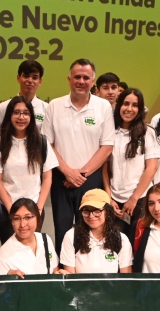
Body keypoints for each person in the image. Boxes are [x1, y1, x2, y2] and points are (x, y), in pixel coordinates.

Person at [42, 59, 114, 254]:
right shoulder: (54, 106)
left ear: (93, 81)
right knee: (62, 230)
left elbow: (107, 146)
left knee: (92, 230)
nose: (81, 81)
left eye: (86, 77)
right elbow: (47, 143)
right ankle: (63, 275)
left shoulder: (103, 107)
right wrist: (67, 172)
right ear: (69, 79)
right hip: (61, 179)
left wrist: (81, 175)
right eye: (77, 77)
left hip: (91, 180)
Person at [0, 97, 58, 223]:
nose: (21, 117)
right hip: (8, 211)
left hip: (34, 210)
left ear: (31, 116)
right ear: (9, 115)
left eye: (26, 113)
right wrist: (12, 210)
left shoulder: (41, 142)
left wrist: (39, 207)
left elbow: (47, 177)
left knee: (33, 243)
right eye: (16, 112)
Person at [103, 88, 159, 241]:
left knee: (137, 245)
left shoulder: (147, 132)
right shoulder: (110, 131)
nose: (129, 109)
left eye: (135, 105)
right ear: (118, 105)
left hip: (139, 199)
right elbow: (105, 168)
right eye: (126, 104)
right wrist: (109, 197)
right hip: (114, 199)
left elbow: (152, 168)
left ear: (140, 109)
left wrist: (133, 199)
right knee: (113, 244)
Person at [56, 189, 133, 274]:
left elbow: (125, 279)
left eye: (97, 211)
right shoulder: (71, 236)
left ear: (107, 211)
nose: (91, 216)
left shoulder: (121, 239)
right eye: (86, 211)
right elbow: (71, 280)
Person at [0, 199, 58, 276]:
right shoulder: (3, 255)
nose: (22, 225)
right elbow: (0, 286)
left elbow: (54, 268)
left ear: (38, 217)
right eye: (16, 218)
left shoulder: (45, 239)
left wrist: (59, 273)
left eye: (28, 217)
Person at [0, 59, 48, 132]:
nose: (30, 80)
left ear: (40, 81)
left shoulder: (47, 109)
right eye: (26, 76)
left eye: (34, 77)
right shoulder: (3, 107)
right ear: (18, 78)